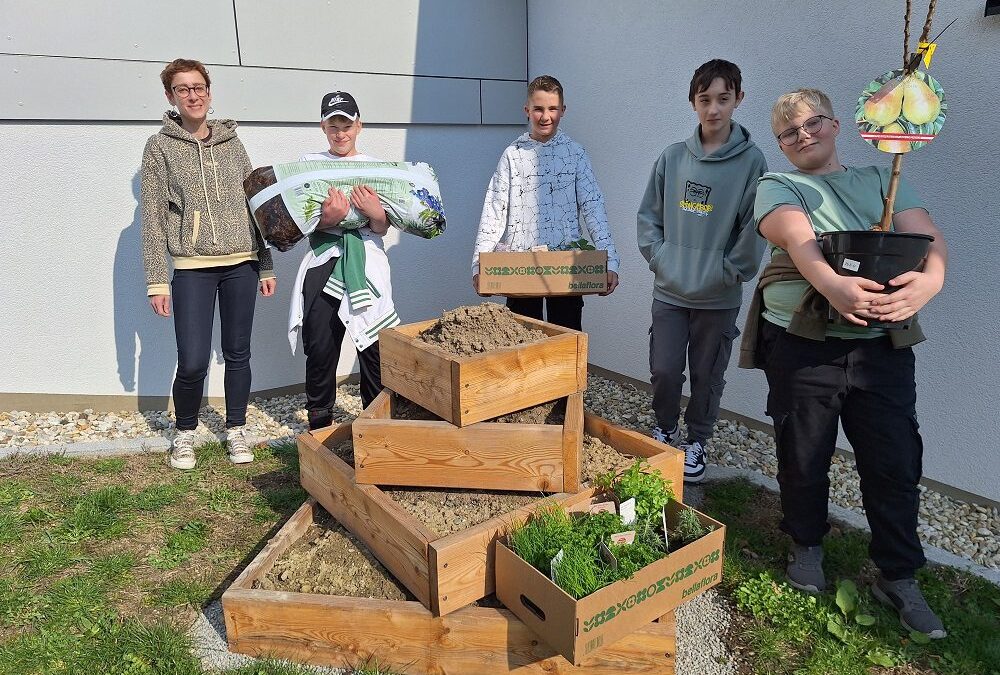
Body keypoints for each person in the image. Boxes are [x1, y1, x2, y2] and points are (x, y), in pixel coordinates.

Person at [744, 88, 947, 638]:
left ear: (836, 125)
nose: (802, 135)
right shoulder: (778, 186)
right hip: (805, 346)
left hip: (882, 348)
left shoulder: (885, 179)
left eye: (812, 124)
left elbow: (926, 239)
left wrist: (930, 281)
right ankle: (806, 544)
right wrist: (834, 286)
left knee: (893, 461)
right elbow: (797, 238)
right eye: (789, 133)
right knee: (803, 452)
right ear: (781, 147)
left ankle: (898, 575)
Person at [141, 58, 276, 470]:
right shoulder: (159, 146)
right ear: (171, 97)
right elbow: (152, 216)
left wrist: (265, 263)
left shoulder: (233, 143)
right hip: (191, 268)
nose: (193, 95)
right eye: (183, 89)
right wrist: (156, 281)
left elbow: (257, 203)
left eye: (199, 87)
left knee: (238, 353)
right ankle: (185, 432)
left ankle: (236, 428)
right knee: (194, 359)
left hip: (242, 264)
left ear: (209, 92)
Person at [636, 59, 767, 483]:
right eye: (705, 99)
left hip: (718, 295)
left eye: (723, 99)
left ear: (738, 100)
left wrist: (730, 272)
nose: (714, 109)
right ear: (693, 102)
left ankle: (697, 440)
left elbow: (754, 226)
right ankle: (666, 428)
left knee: (708, 373)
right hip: (670, 290)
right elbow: (648, 217)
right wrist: (661, 258)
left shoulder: (752, 162)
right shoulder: (672, 158)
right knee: (665, 367)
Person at [472, 75, 619, 330]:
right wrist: (479, 265)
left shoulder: (575, 153)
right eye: (538, 109)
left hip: (567, 267)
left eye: (552, 109)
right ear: (527, 110)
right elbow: (495, 210)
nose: (545, 116)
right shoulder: (513, 155)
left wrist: (611, 262)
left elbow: (593, 207)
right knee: (523, 347)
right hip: (520, 267)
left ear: (563, 110)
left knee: (565, 343)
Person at [287, 91, 398, 431]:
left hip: (366, 261)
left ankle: (376, 425)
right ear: (323, 127)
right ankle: (320, 425)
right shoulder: (308, 164)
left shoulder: (375, 168)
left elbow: (381, 226)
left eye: (346, 125)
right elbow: (298, 223)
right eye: (333, 125)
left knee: (375, 345)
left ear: (358, 125)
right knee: (321, 343)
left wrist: (376, 213)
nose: (340, 133)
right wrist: (327, 218)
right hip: (324, 259)